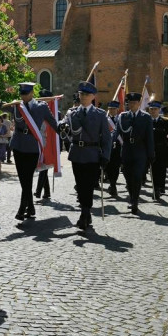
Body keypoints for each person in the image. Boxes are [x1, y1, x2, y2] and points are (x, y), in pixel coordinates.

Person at [57, 81, 111, 231]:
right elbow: (63, 123)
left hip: (93, 154)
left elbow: (106, 138)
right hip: (77, 153)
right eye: (81, 94)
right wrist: (60, 125)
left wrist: (106, 155)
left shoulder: (100, 115)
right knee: (80, 186)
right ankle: (85, 213)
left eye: (86, 94)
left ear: (93, 96)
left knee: (88, 186)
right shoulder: (72, 112)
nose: (83, 97)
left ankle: (84, 214)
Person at [3, 83, 58, 221]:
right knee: (23, 178)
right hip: (18, 144)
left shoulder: (41, 107)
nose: (23, 96)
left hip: (32, 145)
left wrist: (64, 132)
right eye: (22, 94)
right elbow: (3, 106)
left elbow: (53, 122)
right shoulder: (16, 106)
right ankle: (30, 206)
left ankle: (23, 207)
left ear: (32, 93)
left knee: (27, 177)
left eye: (26, 94)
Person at [116, 93, 154, 214]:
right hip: (127, 149)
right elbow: (116, 132)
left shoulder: (146, 117)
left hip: (140, 150)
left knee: (137, 176)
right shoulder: (123, 117)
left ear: (139, 103)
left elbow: (149, 137)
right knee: (128, 177)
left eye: (134, 103)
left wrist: (151, 154)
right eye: (130, 103)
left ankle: (135, 201)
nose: (131, 105)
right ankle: (132, 197)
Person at [148, 101, 168, 202]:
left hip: (161, 150)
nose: (153, 111)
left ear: (159, 110)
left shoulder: (165, 121)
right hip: (148, 150)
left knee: (160, 171)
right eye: (151, 109)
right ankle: (155, 189)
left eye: (155, 109)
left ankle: (158, 188)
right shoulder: (145, 121)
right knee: (151, 170)